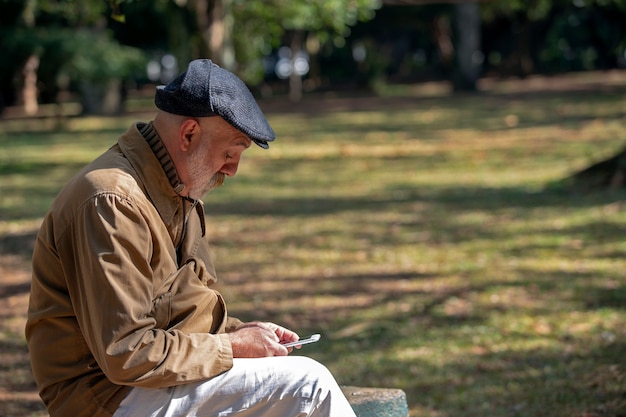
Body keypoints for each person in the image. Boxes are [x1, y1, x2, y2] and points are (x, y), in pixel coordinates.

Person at [26, 59, 357, 417]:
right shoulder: (113, 201)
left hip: (143, 385)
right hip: (106, 398)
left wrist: (244, 332)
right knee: (309, 386)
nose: (232, 169)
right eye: (230, 152)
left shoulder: (178, 191)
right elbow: (127, 352)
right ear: (188, 135)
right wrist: (232, 346)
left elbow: (181, 313)